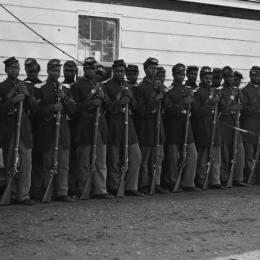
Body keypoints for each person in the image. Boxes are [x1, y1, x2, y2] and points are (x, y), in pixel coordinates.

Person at [71, 57, 112, 199]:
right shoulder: (77, 86)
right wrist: (92, 100)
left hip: (100, 124)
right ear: (84, 69)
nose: (91, 71)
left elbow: (110, 106)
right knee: (84, 160)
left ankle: (100, 189)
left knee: (100, 160)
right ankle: (84, 189)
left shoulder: (101, 85)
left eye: (93, 68)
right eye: (88, 68)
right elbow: (75, 107)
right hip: (85, 125)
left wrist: (103, 98)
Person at [35, 59, 75, 202]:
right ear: (48, 71)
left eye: (58, 71)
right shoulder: (40, 88)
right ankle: (48, 191)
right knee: (48, 164)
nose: (55, 73)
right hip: (48, 129)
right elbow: (36, 110)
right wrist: (52, 108)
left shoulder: (65, 89)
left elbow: (73, 109)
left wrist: (64, 97)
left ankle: (62, 192)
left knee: (63, 164)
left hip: (63, 130)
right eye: (53, 70)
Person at [104, 59, 143, 196]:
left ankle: (131, 186)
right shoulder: (107, 85)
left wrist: (130, 98)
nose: (121, 73)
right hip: (114, 124)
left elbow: (136, 107)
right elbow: (109, 108)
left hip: (128, 123)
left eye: (123, 71)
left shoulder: (128, 85)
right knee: (114, 157)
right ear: (113, 71)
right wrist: (120, 99)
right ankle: (114, 187)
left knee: (135, 154)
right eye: (118, 71)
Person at [0, 56, 36, 205]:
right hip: (9, 128)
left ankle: (23, 194)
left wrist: (26, 95)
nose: (14, 70)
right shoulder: (1, 87)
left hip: (24, 128)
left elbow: (35, 108)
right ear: (6, 70)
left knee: (26, 161)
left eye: (16, 68)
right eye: (11, 68)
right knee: (10, 162)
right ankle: (11, 192)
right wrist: (14, 99)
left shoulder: (25, 85)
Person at [135, 57, 169, 194]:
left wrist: (162, 94)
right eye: (151, 68)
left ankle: (156, 182)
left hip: (158, 126)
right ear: (145, 69)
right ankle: (144, 184)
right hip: (146, 127)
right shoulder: (141, 87)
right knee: (145, 158)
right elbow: (140, 110)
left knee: (158, 158)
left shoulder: (159, 86)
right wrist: (155, 99)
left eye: (155, 68)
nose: (153, 71)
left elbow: (166, 106)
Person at [164, 63, 199, 191]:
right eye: (179, 74)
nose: (182, 76)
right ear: (173, 74)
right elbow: (167, 110)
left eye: (183, 74)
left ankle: (188, 182)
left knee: (192, 153)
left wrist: (192, 100)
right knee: (174, 156)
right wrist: (182, 103)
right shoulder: (169, 91)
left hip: (186, 124)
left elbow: (194, 108)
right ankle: (174, 182)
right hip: (174, 125)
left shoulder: (188, 89)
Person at [192, 66, 224, 189]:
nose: (208, 80)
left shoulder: (215, 91)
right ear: (201, 78)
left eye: (210, 78)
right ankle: (201, 180)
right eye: (205, 78)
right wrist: (211, 103)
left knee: (216, 157)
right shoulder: (197, 92)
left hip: (214, 127)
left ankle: (215, 181)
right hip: (203, 127)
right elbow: (197, 111)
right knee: (203, 157)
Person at [219, 66, 246, 186]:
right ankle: (225, 178)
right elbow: (224, 109)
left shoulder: (237, 90)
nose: (230, 79)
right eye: (227, 76)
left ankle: (238, 178)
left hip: (235, 122)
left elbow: (243, 105)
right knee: (225, 152)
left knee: (239, 151)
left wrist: (240, 103)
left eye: (231, 76)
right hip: (225, 123)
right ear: (223, 78)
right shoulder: (219, 90)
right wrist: (232, 99)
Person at [23, 58, 42, 200]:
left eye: (34, 70)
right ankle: (25, 192)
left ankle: (38, 190)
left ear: (38, 70)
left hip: (41, 126)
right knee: (26, 162)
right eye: (29, 70)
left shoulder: (43, 86)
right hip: (26, 127)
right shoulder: (22, 85)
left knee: (39, 161)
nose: (31, 72)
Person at [241, 66, 260, 183]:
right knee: (249, 154)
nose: (256, 78)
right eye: (254, 75)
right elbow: (245, 109)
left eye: (258, 75)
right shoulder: (245, 90)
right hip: (249, 126)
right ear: (250, 76)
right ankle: (250, 177)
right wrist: (257, 108)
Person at [62, 60, 78, 198]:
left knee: (75, 158)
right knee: (64, 158)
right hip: (63, 125)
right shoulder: (59, 86)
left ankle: (74, 187)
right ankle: (63, 188)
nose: (69, 73)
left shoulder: (78, 86)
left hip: (77, 125)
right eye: (67, 70)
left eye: (72, 71)